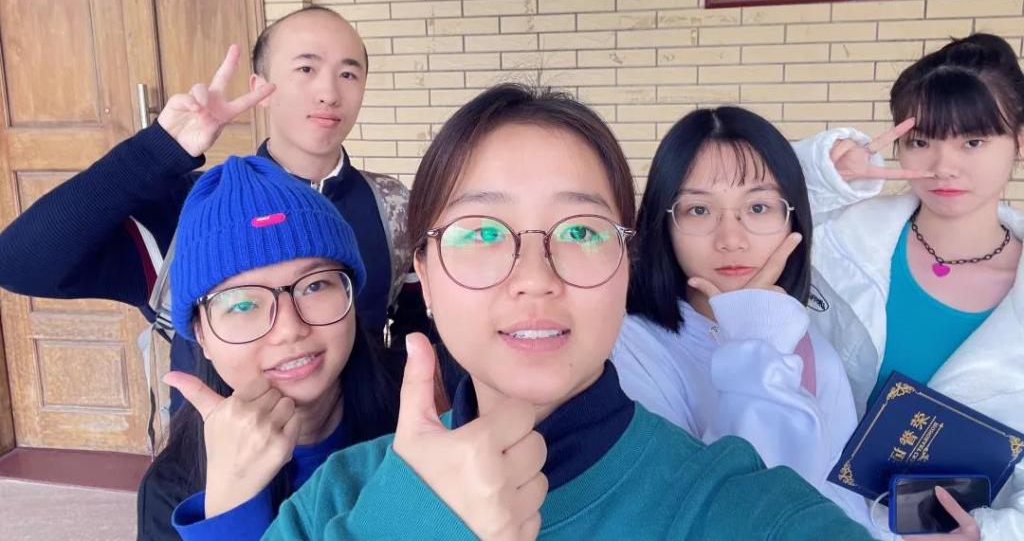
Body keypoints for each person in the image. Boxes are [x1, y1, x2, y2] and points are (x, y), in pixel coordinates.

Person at [244, 83, 870, 541]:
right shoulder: (336, 501)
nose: (535, 280)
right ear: (425, 277)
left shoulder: (742, 511)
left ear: (625, 267)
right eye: (481, 233)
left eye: (580, 231)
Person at [0, 6, 412, 406]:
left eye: (348, 74)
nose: (329, 93)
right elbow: (20, 263)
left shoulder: (390, 205)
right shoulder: (190, 210)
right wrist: (156, 151)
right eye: (306, 69)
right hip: (211, 449)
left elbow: (415, 329)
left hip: (368, 447)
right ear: (260, 87)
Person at [794, 34, 1024, 539]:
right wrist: (829, 175)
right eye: (921, 141)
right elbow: (757, 210)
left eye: (973, 141)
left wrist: (996, 532)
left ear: (1019, 142)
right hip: (816, 518)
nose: (943, 166)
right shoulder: (841, 239)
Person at [611, 106, 870, 527]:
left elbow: (843, 503)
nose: (731, 239)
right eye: (698, 210)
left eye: (759, 208)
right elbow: (724, 514)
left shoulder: (814, 351)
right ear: (663, 224)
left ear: (792, 220)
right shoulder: (625, 347)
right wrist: (755, 342)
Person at [136, 155, 398, 541]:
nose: (289, 330)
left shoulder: (422, 407)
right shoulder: (173, 490)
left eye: (315, 286)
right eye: (242, 304)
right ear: (201, 335)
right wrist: (230, 509)